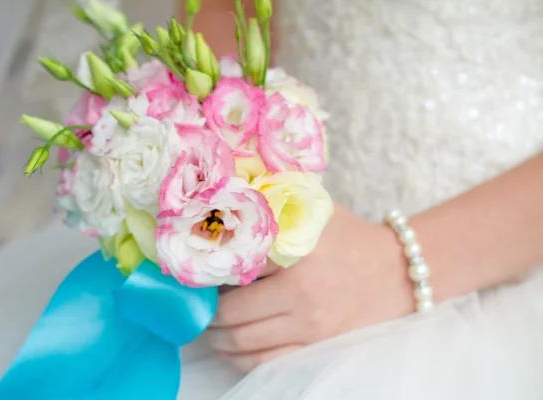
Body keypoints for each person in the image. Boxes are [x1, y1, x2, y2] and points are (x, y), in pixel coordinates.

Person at [177, 0, 543, 398]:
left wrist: (394, 266)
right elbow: (222, 9)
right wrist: (229, 166)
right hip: (284, 273)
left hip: (504, 278)